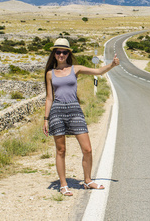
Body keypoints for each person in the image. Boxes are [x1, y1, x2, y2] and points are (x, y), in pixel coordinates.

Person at [42, 38, 119, 196]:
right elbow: (49, 97)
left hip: (75, 110)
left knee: (87, 149)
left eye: (64, 52)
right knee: (61, 150)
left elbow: (97, 72)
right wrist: (46, 119)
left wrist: (112, 65)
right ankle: (63, 185)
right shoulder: (50, 74)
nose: (61, 54)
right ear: (54, 54)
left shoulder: (75, 69)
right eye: (58, 52)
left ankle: (88, 180)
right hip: (57, 111)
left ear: (68, 53)